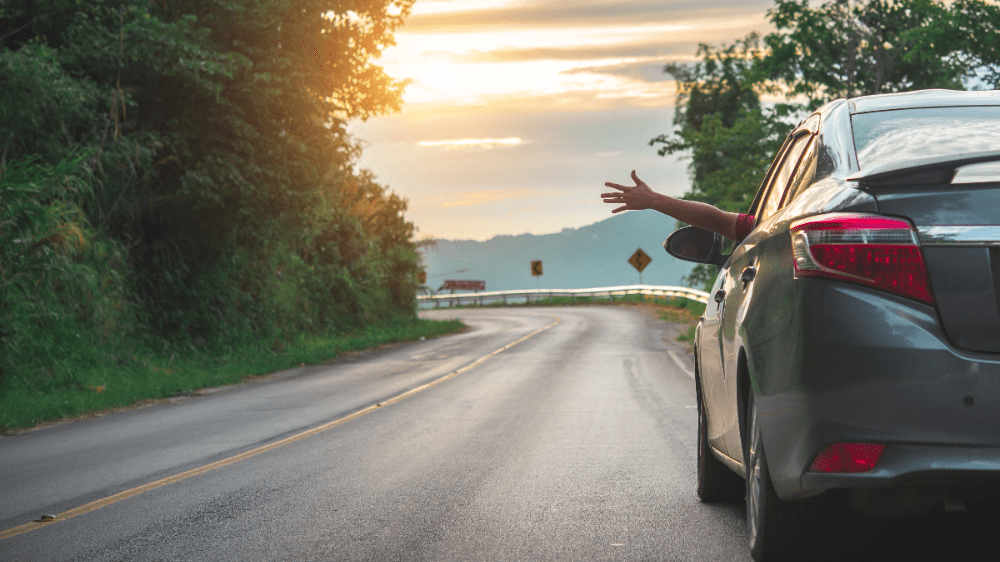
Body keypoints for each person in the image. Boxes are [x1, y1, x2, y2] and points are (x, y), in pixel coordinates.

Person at [601, 170, 754, 242]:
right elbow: (717, 221)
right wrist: (652, 200)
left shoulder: (769, 227)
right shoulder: (772, 225)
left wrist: (652, 200)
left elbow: (718, 222)